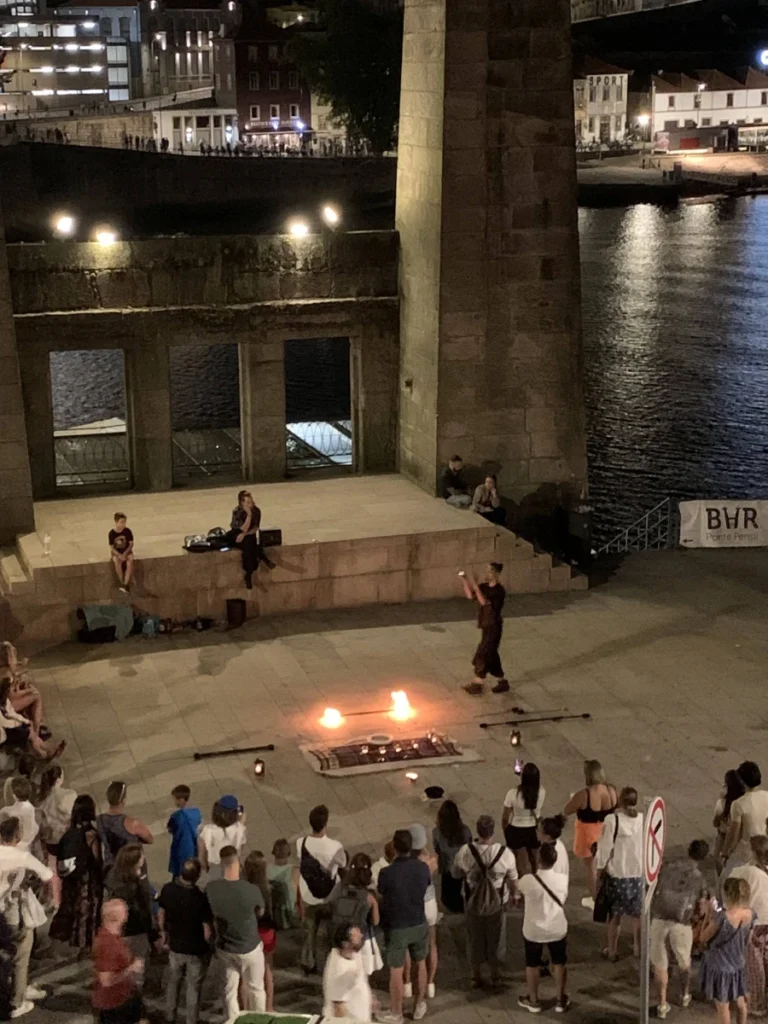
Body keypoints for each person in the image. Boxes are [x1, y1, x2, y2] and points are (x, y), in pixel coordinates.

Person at [452, 814, 518, 990]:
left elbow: (455, 873)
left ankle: (475, 976)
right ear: (493, 832)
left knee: (474, 937)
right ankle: (496, 974)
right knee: (496, 938)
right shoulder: (505, 854)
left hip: (472, 901)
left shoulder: (466, 851)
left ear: (478, 831)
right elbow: (513, 878)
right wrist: (514, 895)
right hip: (498, 902)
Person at [650, 839, 710, 1019]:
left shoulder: (669, 867)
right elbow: (701, 906)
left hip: (660, 918)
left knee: (660, 964)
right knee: (684, 961)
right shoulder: (700, 878)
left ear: (688, 849)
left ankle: (661, 1005)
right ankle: (684, 995)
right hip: (681, 923)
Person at [0, 816, 52, 1018]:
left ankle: (13, 988)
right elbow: (47, 875)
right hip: (12, 913)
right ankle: (17, 1000)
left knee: (6, 954)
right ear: (18, 836)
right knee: (21, 956)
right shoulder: (21, 857)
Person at [376, 828, 430, 1024]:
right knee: (420, 963)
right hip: (418, 921)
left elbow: (381, 892)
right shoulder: (423, 868)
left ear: (395, 847)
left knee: (396, 970)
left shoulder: (387, 873)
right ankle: (419, 1005)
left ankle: (397, 1012)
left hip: (397, 925)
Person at [206, 845, 266, 1016]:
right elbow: (260, 911)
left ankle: (232, 1020)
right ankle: (259, 1020)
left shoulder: (211, 888)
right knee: (256, 989)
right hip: (250, 947)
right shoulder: (251, 889)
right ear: (237, 864)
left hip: (226, 948)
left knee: (229, 992)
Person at [517, 842, 570, 1014]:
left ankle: (533, 1000)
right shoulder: (562, 880)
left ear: (538, 859)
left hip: (534, 930)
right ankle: (560, 1000)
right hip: (556, 928)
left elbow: (518, 891)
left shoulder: (527, 881)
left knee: (532, 964)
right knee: (559, 963)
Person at [158, 857, 212, 1024]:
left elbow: (161, 913)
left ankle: (169, 1016)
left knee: (173, 983)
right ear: (196, 877)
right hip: (195, 949)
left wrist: (163, 932)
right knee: (193, 987)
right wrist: (210, 945)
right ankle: (191, 1020)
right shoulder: (200, 898)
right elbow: (206, 929)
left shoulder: (168, 890)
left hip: (175, 946)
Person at [595, 786, 644, 961]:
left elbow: (605, 847)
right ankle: (638, 948)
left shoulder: (612, 820)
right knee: (637, 915)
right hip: (637, 874)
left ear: (620, 801)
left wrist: (600, 869)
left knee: (615, 916)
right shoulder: (642, 820)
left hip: (617, 875)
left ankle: (613, 951)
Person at [296, 804, 346, 975]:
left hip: (308, 895)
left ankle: (307, 961)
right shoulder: (335, 846)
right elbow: (343, 864)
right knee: (328, 931)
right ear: (326, 824)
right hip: (329, 895)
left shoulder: (300, 843)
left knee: (309, 930)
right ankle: (327, 964)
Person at [50, 794, 104, 952]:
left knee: (76, 910)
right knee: (89, 913)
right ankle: (86, 946)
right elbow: (97, 859)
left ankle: (75, 941)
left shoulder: (69, 832)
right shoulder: (91, 834)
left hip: (72, 880)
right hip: (88, 880)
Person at [563, 759, 618, 910]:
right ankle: (610, 895)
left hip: (588, 833)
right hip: (606, 831)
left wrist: (572, 799)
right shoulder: (612, 791)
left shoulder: (584, 794)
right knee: (606, 865)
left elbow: (567, 810)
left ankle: (595, 900)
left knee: (591, 869)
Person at [700, 876, 755, 1024]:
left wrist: (708, 915)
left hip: (720, 967)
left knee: (723, 1007)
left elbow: (703, 938)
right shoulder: (750, 914)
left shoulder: (722, 918)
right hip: (738, 965)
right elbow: (747, 940)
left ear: (728, 894)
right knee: (740, 1002)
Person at [729, 836, 768, 1017]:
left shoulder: (742, 871)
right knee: (765, 959)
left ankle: (757, 1004)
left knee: (753, 964)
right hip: (766, 921)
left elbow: (728, 893)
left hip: (752, 923)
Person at [460, 563, 509, 695]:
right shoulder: (484, 587)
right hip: (486, 626)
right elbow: (471, 596)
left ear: (496, 573)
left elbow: (485, 603)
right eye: (486, 571)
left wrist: (476, 587)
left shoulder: (499, 591)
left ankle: (477, 684)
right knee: (492, 655)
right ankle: (502, 682)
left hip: (494, 627)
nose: (486, 574)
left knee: (483, 654)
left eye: (489, 571)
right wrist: (464, 579)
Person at [92, 899, 144, 1024]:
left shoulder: (111, 937)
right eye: (125, 911)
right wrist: (131, 968)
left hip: (120, 999)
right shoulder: (109, 945)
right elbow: (106, 980)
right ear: (119, 917)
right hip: (114, 1004)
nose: (127, 914)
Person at [331, 852, 382, 977]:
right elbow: (376, 921)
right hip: (359, 941)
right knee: (360, 978)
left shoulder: (340, 888)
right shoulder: (369, 897)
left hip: (340, 937)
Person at [104, 844, 155, 963]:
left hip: (124, 928)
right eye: (142, 857)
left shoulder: (115, 875)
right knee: (137, 960)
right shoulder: (130, 887)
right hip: (133, 929)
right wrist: (152, 932)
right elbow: (141, 910)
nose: (144, 858)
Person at [38, 765, 76, 909]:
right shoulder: (70, 795)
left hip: (52, 841)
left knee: (54, 869)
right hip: (67, 839)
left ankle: (55, 899)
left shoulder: (42, 801)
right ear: (60, 778)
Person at [407, 824, 439, 999]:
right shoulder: (430, 861)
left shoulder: (408, 863)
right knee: (432, 944)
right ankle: (431, 983)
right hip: (431, 903)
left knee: (413, 947)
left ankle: (409, 982)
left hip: (416, 904)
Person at [0, 678, 64, 762]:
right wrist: (22, 723)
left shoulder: (5, 701)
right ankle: (44, 752)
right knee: (28, 731)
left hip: (10, 726)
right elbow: (6, 722)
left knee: (29, 728)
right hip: (5, 731)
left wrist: (25, 721)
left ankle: (44, 751)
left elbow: (11, 713)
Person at [722, 762, 768, 876]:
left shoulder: (738, 804)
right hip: (765, 846)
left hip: (747, 851)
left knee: (728, 876)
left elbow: (734, 834)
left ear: (742, 782)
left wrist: (725, 853)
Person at [97, 782, 154, 874]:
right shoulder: (132, 823)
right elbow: (150, 839)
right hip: (132, 868)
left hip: (112, 868)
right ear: (123, 801)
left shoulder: (99, 820)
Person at [502, 762, 545, 876]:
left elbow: (505, 817)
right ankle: (536, 880)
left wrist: (506, 831)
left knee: (520, 863)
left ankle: (523, 885)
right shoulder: (542, 792)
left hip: (516, 829)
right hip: (534, 830)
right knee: (535, 860)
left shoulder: (512, 794)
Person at [323, 924, 372, 1022]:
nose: (361, 936)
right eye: (356, 936)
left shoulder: (354, 954)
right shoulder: (338, 970)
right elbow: (338, 1007)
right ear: (345, 943)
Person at [229, 490, 274, 589]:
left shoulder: (256, 511)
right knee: (249, 545)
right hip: (236, 536)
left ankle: (248, 574)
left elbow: (255, 528)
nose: (251, 504)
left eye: (251, 501)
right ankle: (263, 558)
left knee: (249, 545)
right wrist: (249, 515)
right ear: (242, 503)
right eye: (248, 502)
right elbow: (242, 529)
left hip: (248, 536)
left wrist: (245, 534)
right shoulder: (237, 512)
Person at [432, 800, 471, 914]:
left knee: (448, 889)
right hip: (463, 865)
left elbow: (437, 849)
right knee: (458, 885)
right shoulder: (465, 831)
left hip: (447, 866)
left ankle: (452, 906)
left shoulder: (437, 832)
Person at [0, 644, 46, 738]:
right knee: (35, 695)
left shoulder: (5, 670)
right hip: (6, 706)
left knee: (28, 686)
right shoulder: (6, 675)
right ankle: (36, 733)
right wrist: (27, 691)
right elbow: (10, 695)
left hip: (7, 702)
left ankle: (38, 724)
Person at [199, 796, 246, 880]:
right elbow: (240, 851)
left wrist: (206, 869)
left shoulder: (208, 830)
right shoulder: (240, 829)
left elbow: (202, 856)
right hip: (233, 867)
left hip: (214, 868)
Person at [714, 771, 747, 872]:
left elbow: (715, 823)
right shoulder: (744, 802)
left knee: (718, 860)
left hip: (723, 836)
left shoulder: (722, 804)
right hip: (739, 839)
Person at [167, 785, 202, 880]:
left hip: (180, 847)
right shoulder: (197, 812)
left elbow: (170, 829)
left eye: (175, 799)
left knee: (179, 872)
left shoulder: (176, 816)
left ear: (181, 800)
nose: (174, 802)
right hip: (192, 847)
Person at [267, 838, 298, 929]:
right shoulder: (294, 870)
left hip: (274, 913)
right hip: (291, 912)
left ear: (273, 853)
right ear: (289, 854)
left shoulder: (266, 869)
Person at [0, 779, 38, 852]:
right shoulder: (33, 810)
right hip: (27, 847)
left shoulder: (6, 812)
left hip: (11, 848)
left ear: (14, 795)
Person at [109, 513, 134, 593]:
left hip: (126, 551)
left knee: (130, 560)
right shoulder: (112, 533)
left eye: (124, 522)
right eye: (121, 522)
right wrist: (119, 555)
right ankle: (121, 581)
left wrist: (125, 554)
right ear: (116, 522)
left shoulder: (127, 531)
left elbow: (131, 544)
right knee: (117, 561)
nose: (123, 524)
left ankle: (126, 583)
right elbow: (112, 547)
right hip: (117, 552)